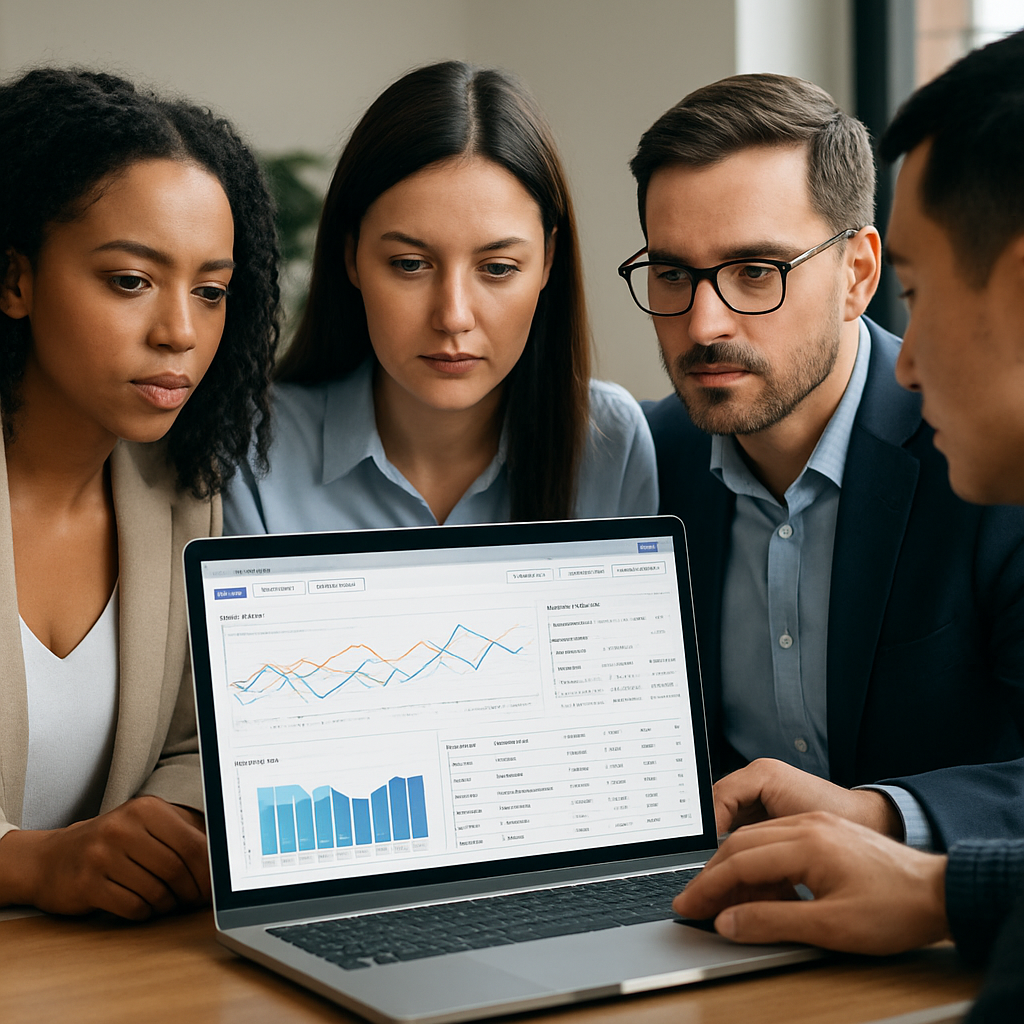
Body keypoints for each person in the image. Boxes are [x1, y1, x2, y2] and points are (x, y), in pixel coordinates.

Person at [674, 30, 1024, 1022]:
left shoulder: (984, 459)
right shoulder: (645, 457)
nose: (703, 323)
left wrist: (889, 822)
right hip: (731, 940)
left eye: (756, 270)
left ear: (861, 275)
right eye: (672, 273)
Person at [0, 68, 279, 919]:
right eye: (130, 280)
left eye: (211, 291)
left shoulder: (181, 496)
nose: (180, 332)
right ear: (14, 280)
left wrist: (163, 826)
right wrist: (29, 866)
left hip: (103, 969)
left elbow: (198, 741)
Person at [224, 61, 656, 534]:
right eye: (410, 264)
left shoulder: (610, 442)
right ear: (351, 257)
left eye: (497, 268)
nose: (453, 317)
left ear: (549, 260)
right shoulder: (251, 447)